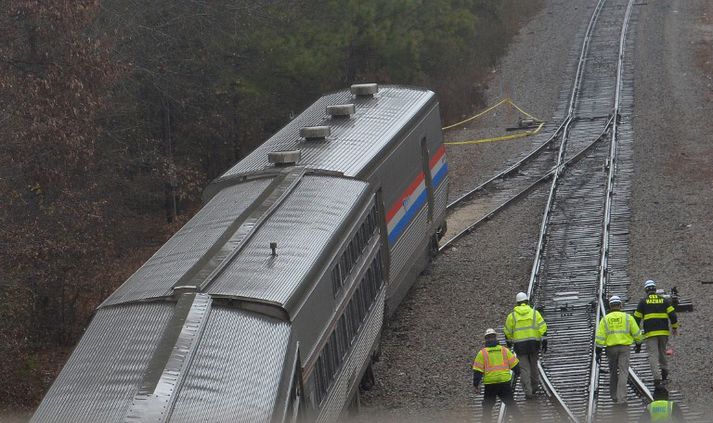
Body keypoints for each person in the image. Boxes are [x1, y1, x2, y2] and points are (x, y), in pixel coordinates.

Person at [595, 295, 643, 405]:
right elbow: (636, 332)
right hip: (624, 348)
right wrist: (639, 343)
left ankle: (614, 396)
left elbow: (600, 337)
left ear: (610, 306)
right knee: (623, 372)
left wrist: (598, 351)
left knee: (613, 372)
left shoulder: (605, 319)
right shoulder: (627, 317)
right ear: (620, 305)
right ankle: (622, 398)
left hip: (611, 349)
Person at [503, 291, 547, 399]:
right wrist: (544, 341)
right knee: (534, 367)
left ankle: (528, 392)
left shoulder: (512, 316)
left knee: (524, 369)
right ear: (527, 301)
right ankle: (535, 387)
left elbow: (507, 331)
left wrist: (509, 341)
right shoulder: (534, 313)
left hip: (520, 346)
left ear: (517, 303)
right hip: (533, 344)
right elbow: (543, 327)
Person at [634, 279, 679, 384]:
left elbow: (636, 319)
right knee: (662, 353)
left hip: (650, 334)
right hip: (663, 333)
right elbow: (673, 315)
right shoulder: (664, 300)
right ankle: (664, 375)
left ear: (646, 290)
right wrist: (674, 328)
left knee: (653, 355)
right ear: (655, 289)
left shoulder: (643, 301)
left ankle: (657, 379)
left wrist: (636, 335)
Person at [472, 328, 522, 422]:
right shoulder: (504, 350)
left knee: (487, 407)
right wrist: (518, 373)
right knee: (511, 405)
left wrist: (476, 385)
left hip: (491, 384)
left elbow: (477, 371)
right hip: (504, 383)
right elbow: (515, 365)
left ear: (485, 339)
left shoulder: (482, 353)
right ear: (496, 338)